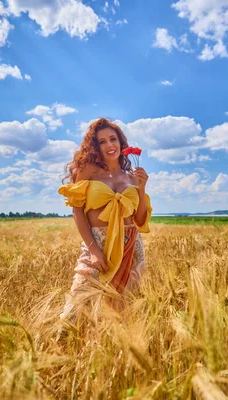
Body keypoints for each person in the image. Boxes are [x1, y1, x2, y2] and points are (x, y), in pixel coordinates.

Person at [58, 118, 152, 321]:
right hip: (98, 243)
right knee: (74, 313)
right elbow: (78, 212)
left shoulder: (132, 177)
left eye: (113, 139)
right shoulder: (87, 171)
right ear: (95, 147)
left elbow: (141, 219)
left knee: (124, 312)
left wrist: (142, 188)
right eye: (102, 142)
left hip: (131, 248)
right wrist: (93, 250)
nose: (109, 145)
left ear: (121, 142)